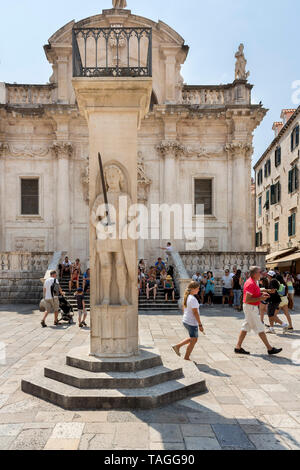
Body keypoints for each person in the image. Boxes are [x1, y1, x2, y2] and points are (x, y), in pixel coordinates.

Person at [235, 266, 282, 356]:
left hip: (251, 308)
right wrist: (261, 298)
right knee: (260, 328)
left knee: (245, 327)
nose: (261, 274)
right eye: (260, 272)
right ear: (255, 274)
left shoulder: (253, 281)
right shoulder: (250, 283)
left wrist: (266, 291)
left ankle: (238, 347)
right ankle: (269, 348)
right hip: (250, 308)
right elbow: (248, 299)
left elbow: (256, 290)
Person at [172, 282, 204, 361]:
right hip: (191, 322)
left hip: (187, 320)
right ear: (193, 289)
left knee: (193, 338)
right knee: (193, 340)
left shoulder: (188, 297)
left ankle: (178, 346)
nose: (199, 289)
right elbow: (195, 313)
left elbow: (184, 309)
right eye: (198, 288)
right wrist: (200, 325)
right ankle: (186, 357)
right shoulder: (192, 299)